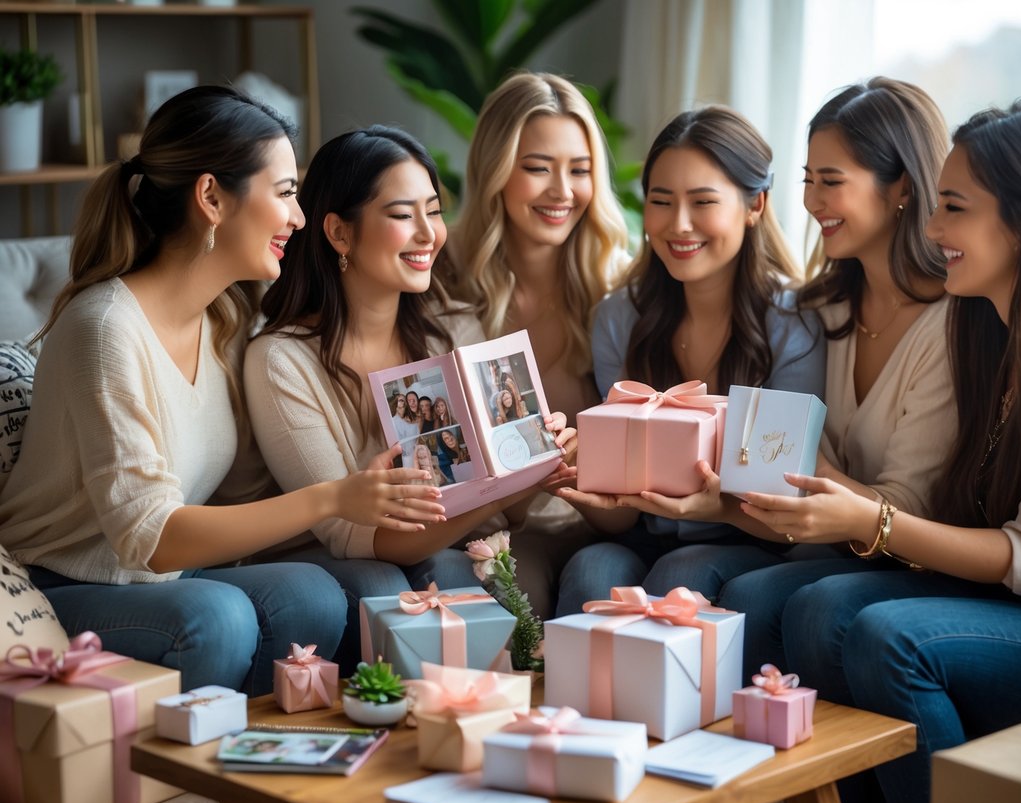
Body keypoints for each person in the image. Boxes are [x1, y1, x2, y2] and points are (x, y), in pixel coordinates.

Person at [744, 100, 1021, 803]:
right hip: (1001, 600)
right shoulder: (985, 328)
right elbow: (956, 514)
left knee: (888, 638)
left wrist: (872, 520)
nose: (934, 230)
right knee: (789, 600)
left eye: (953, 208)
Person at [0, 87, 420, 695]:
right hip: (62, 587)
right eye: (284, 194)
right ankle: (188, 777)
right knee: (215, 620)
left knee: (316, 595)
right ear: (212, 198)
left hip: (170, 578)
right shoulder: (104, 330)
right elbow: (152, 537)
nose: (299, 218)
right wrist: (333, 498)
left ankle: (256, 772)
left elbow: (245, 493)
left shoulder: (223, 321)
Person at [245, 125, 575, 658]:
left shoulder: (455, 331)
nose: (429, 234)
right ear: (339, 233)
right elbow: (353, 536)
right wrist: (507, 484)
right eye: (402, 215)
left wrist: (533, 461)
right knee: (432, 573)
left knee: (468, 564)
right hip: (339, 564)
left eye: (434, 210)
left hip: (445, 547)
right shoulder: (281, 360)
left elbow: (505, 518)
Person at [661, 78, 954, 675]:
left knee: (758, 596)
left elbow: (905, 507)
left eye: (832, 182)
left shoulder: (950, 327)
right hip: (822, 535)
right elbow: (778, 474)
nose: (812, 201)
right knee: (688, 572)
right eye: (808, 181)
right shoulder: (819, 310)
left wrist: (799, 474)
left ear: (900, 187)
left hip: (907, 549)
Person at [555, 105, 826, 615]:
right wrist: (587, 484)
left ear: (755, 205)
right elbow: (620, 516)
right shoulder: (619, 318)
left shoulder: (796, 322)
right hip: (647, 532)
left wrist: (717, 505)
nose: (678, 225)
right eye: (661, 201)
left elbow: (786, 511)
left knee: (685, 571)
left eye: (703, 201)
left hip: (756, 538)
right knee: (593, 567)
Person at [440, 71, 632, 617]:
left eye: (580, 170)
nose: (562, 192)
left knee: (595, 586)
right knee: (508, 599)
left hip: (598, 522)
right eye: (537, 168)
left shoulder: (618, 285)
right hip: (490, 524)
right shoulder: (440, 273)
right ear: (495, 170)